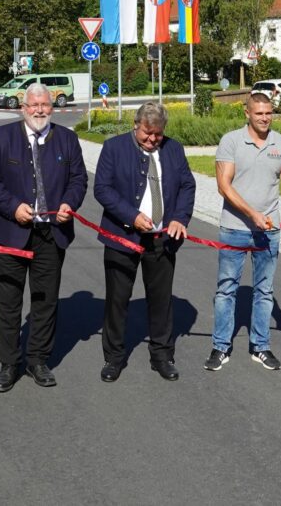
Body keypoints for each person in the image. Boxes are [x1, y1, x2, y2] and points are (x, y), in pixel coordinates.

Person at [0, 83, 87, 393]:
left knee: (45, 300)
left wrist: (69, 203)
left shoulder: (67, 139)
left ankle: (38, 359)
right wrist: (13, 207)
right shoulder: (2, 137)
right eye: (34, 105)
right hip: (8, 233)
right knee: (7, 301)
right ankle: (8, 363)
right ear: (23, 108)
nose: (39, 110)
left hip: (51, 234)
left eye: (45, 105)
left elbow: (78, 179)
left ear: (52, 107)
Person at [94, 102, 196, 382]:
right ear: (135, 125)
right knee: (117, 300)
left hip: (162, 240)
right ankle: (114, 358)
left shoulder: (174, 149)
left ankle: (162, 355)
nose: (152, 139)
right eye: (147, 134)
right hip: (122, 237)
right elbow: (102, 189)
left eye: (158, 134)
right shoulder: (113, 148)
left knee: (161, 300)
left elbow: (187, 185)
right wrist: (131, 216)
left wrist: (180, 218)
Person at [204, 93, 281, 372]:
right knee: (226, 290)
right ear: (247, 113)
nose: (264, 118)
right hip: (234, 228)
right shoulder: (231, 141)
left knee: (265, 291)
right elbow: (224, 186)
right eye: (259, 113)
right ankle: (220, 347)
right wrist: (252, 214)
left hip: (268, 231)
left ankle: (260, 346)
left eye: (268, 113)